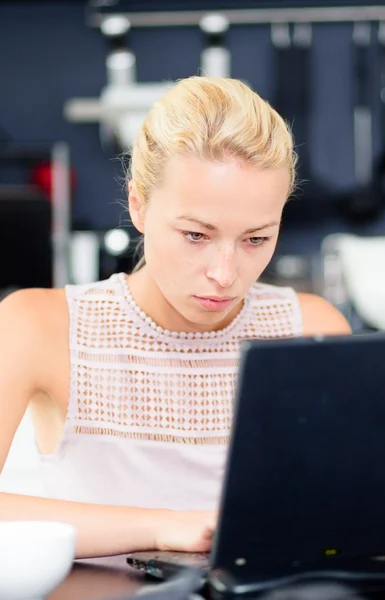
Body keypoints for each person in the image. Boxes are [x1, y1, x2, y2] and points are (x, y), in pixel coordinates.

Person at [0, 76, 350, 561]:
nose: (225, 275)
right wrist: (164, 527)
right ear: (138, 206)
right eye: (195, 235)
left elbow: (351, 517)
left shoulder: (312, 331)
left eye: (255, 239)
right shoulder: (37, 325)